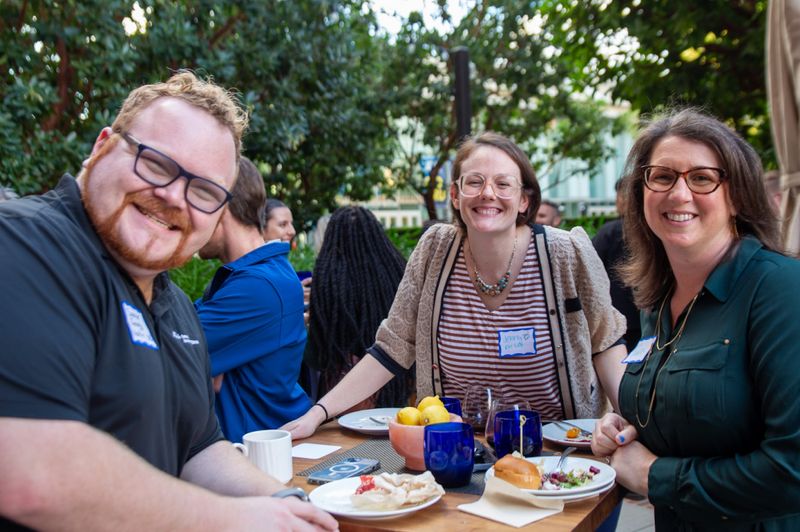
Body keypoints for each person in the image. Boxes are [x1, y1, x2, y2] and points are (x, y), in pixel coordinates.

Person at [0, 72, 337, 531]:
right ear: (102, 147)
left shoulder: (174, 305)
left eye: (203, 191)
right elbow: (32, 475)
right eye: (157, 164)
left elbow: (198, 447)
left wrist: (286, 502)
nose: (173, 196)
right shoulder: (25, 243)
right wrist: (236, 519)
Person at [285, 131, 626, 439]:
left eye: (503, 184)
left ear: (524, 199)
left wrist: (628, 421)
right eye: (474, 182)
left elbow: (605, 341)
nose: (488, 193)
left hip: (561, 451)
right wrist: (318, 413)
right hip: (461, 452)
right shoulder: (436, 250)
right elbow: (393, 347)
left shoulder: (564, 252)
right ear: (455, 194)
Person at [592, 108, 800, 529]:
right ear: (641, 193)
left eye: (702, 178)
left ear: (736, 197)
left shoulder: (781, 289)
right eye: (662, 176)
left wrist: (654, 476)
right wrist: (623, 428)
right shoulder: (658, 301)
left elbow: (792, 468)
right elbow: (694, 413)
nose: (679, 193)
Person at [196, 157, 311, 442]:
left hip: (259, 452)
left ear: (220, 208)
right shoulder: (262, 274)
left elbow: (162, 349)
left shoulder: (258, 286)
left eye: (196, 201)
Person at [304, 206, 413, 410]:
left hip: (344, 390)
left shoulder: (328, 279)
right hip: (396, 382)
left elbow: (318, 353)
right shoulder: (397, 270)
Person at [592, 179, 641, 351]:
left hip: (615, 314)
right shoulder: (653, 229)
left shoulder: (610, 231)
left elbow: (590, 268)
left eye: (623, 196)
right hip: (645, 312)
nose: (619, 201)